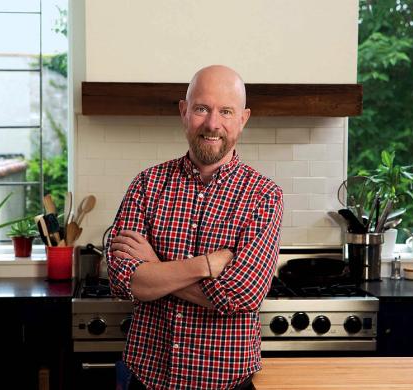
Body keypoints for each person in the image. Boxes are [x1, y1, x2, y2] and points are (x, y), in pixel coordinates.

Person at [106, 65, 283, 390]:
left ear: (243, 119)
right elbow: (122, 280)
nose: (213, 124)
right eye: (202, 109)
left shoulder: (263, 195)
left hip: (227, 384)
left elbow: (241, 295)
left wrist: (156, 269)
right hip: (147, 380)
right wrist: (206, 266)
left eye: (225, 111)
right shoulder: (147, 184)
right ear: (184, 112)